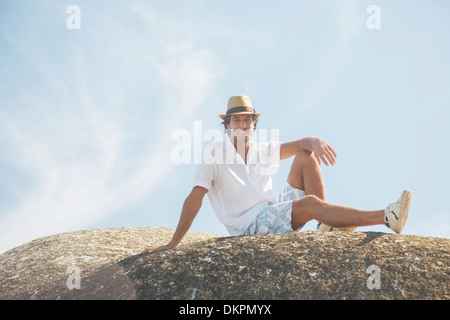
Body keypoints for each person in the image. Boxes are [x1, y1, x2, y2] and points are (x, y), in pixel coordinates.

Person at [141, 95, 412, 254]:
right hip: (250, 228)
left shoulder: (261, 149)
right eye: (237, 120)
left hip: (271, 212)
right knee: (309, 205)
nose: (243, 124)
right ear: (227, 126)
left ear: (254, 124)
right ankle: (386, 217)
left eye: (248, 119)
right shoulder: (214, 153)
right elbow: (195, 198)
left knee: (304, 156)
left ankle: (325, 224)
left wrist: (314, 140)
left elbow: (300, 145)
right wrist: (172, 244)